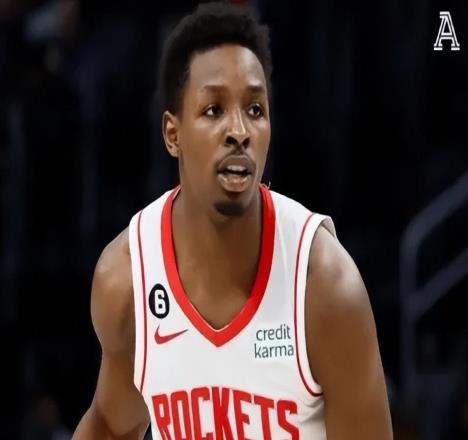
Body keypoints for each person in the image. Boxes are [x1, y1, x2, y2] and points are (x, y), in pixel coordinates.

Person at [72, 2, 393, 439]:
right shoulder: (127, 278)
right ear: (173, 135)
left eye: (255, 110)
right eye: (214, 110)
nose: (239, 131)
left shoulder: (324, 284)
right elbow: (111, 423)